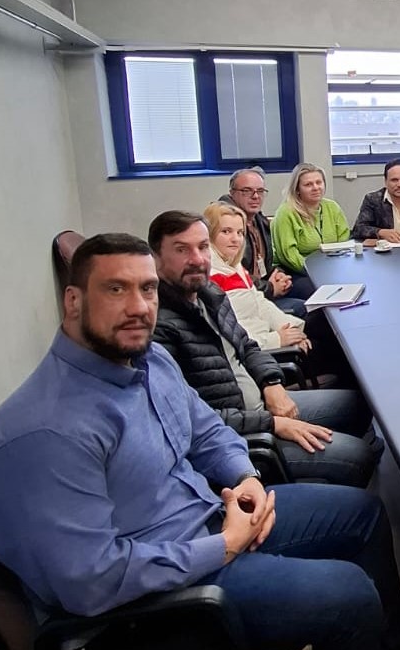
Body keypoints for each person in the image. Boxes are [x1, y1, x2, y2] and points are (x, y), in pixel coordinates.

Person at [0, 232, 400, 650]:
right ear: (73, 300)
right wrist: (223, 547)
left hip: (210, 522)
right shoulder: (44, 433)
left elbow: (208, 432)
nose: (138, 307)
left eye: (147, 290)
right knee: (350, 590)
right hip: (154, 607)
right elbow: (91, 583)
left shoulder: (146, 363)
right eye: (116, 290)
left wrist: (245, 480)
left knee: (363, 515)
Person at [150, 211, 380, 488]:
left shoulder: (209, 294)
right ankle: (335, 495)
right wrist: (271, 423)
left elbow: (246, 345)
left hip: (259, 401)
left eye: (201, 247)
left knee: (359, 403)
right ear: (156, 257)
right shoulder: (159, 326)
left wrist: (271, 382)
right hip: (240, 432)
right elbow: (190, 420)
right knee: (358, 456)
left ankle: (330, 477)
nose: (198, 259)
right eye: (181, 249)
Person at [204, 201, 309, 354]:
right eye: (226, 231)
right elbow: (229, 338)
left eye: (240, 232)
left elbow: (261, 304)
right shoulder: (210, 277)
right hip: (258, 352)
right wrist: (277, 339)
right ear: (209, 234)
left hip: (266, 340)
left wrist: (293, 330)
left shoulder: (235, 267)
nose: (235, 239)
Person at [218, 166, 304, 316]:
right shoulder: (225, 225)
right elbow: (233, 273)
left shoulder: (258, 220)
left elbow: (264, 263)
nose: (255, 196)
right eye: (246, 191)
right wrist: (270, 288)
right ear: (232, 194)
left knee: (312, 290)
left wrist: (279, 275)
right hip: (246, 299)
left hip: (263, 287)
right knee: (308, 309)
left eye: (260, 191)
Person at [272, 163, 350, 292]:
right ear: (297, 189)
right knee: (325, 291)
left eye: (319, 182)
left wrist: (337, 267)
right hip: (297, 272)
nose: (315, 188)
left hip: (332, 268)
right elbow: (288, 255)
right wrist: (317, 272)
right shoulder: (286, 213)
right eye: (308, 185)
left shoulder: (332, 207)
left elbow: (344, 240)